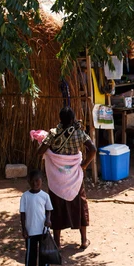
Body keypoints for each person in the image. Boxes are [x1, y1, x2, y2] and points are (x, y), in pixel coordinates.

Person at [37, 106, 97, 249]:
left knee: (56, 206)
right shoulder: (79, 133)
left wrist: (44, 143)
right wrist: (84, 165)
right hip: (74, 175)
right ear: (72, 119)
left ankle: (57, 242)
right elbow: (93, 149)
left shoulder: (53, 133)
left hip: (57, 178)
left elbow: (40, 152)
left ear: (60, 119)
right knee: (80, 204)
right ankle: (83, 240)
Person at [18, 170, 53, 266]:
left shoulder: (45, 196)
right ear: (28, 181)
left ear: (42, 182)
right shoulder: (25, 196)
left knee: (44, 253)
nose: (35, 183)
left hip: (43, 230)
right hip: (30, 230)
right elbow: (22, 214)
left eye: (37, 181)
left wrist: (48, 219)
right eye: (32, 181)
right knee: (30, 253)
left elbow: (48, 210)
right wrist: (24, 229)